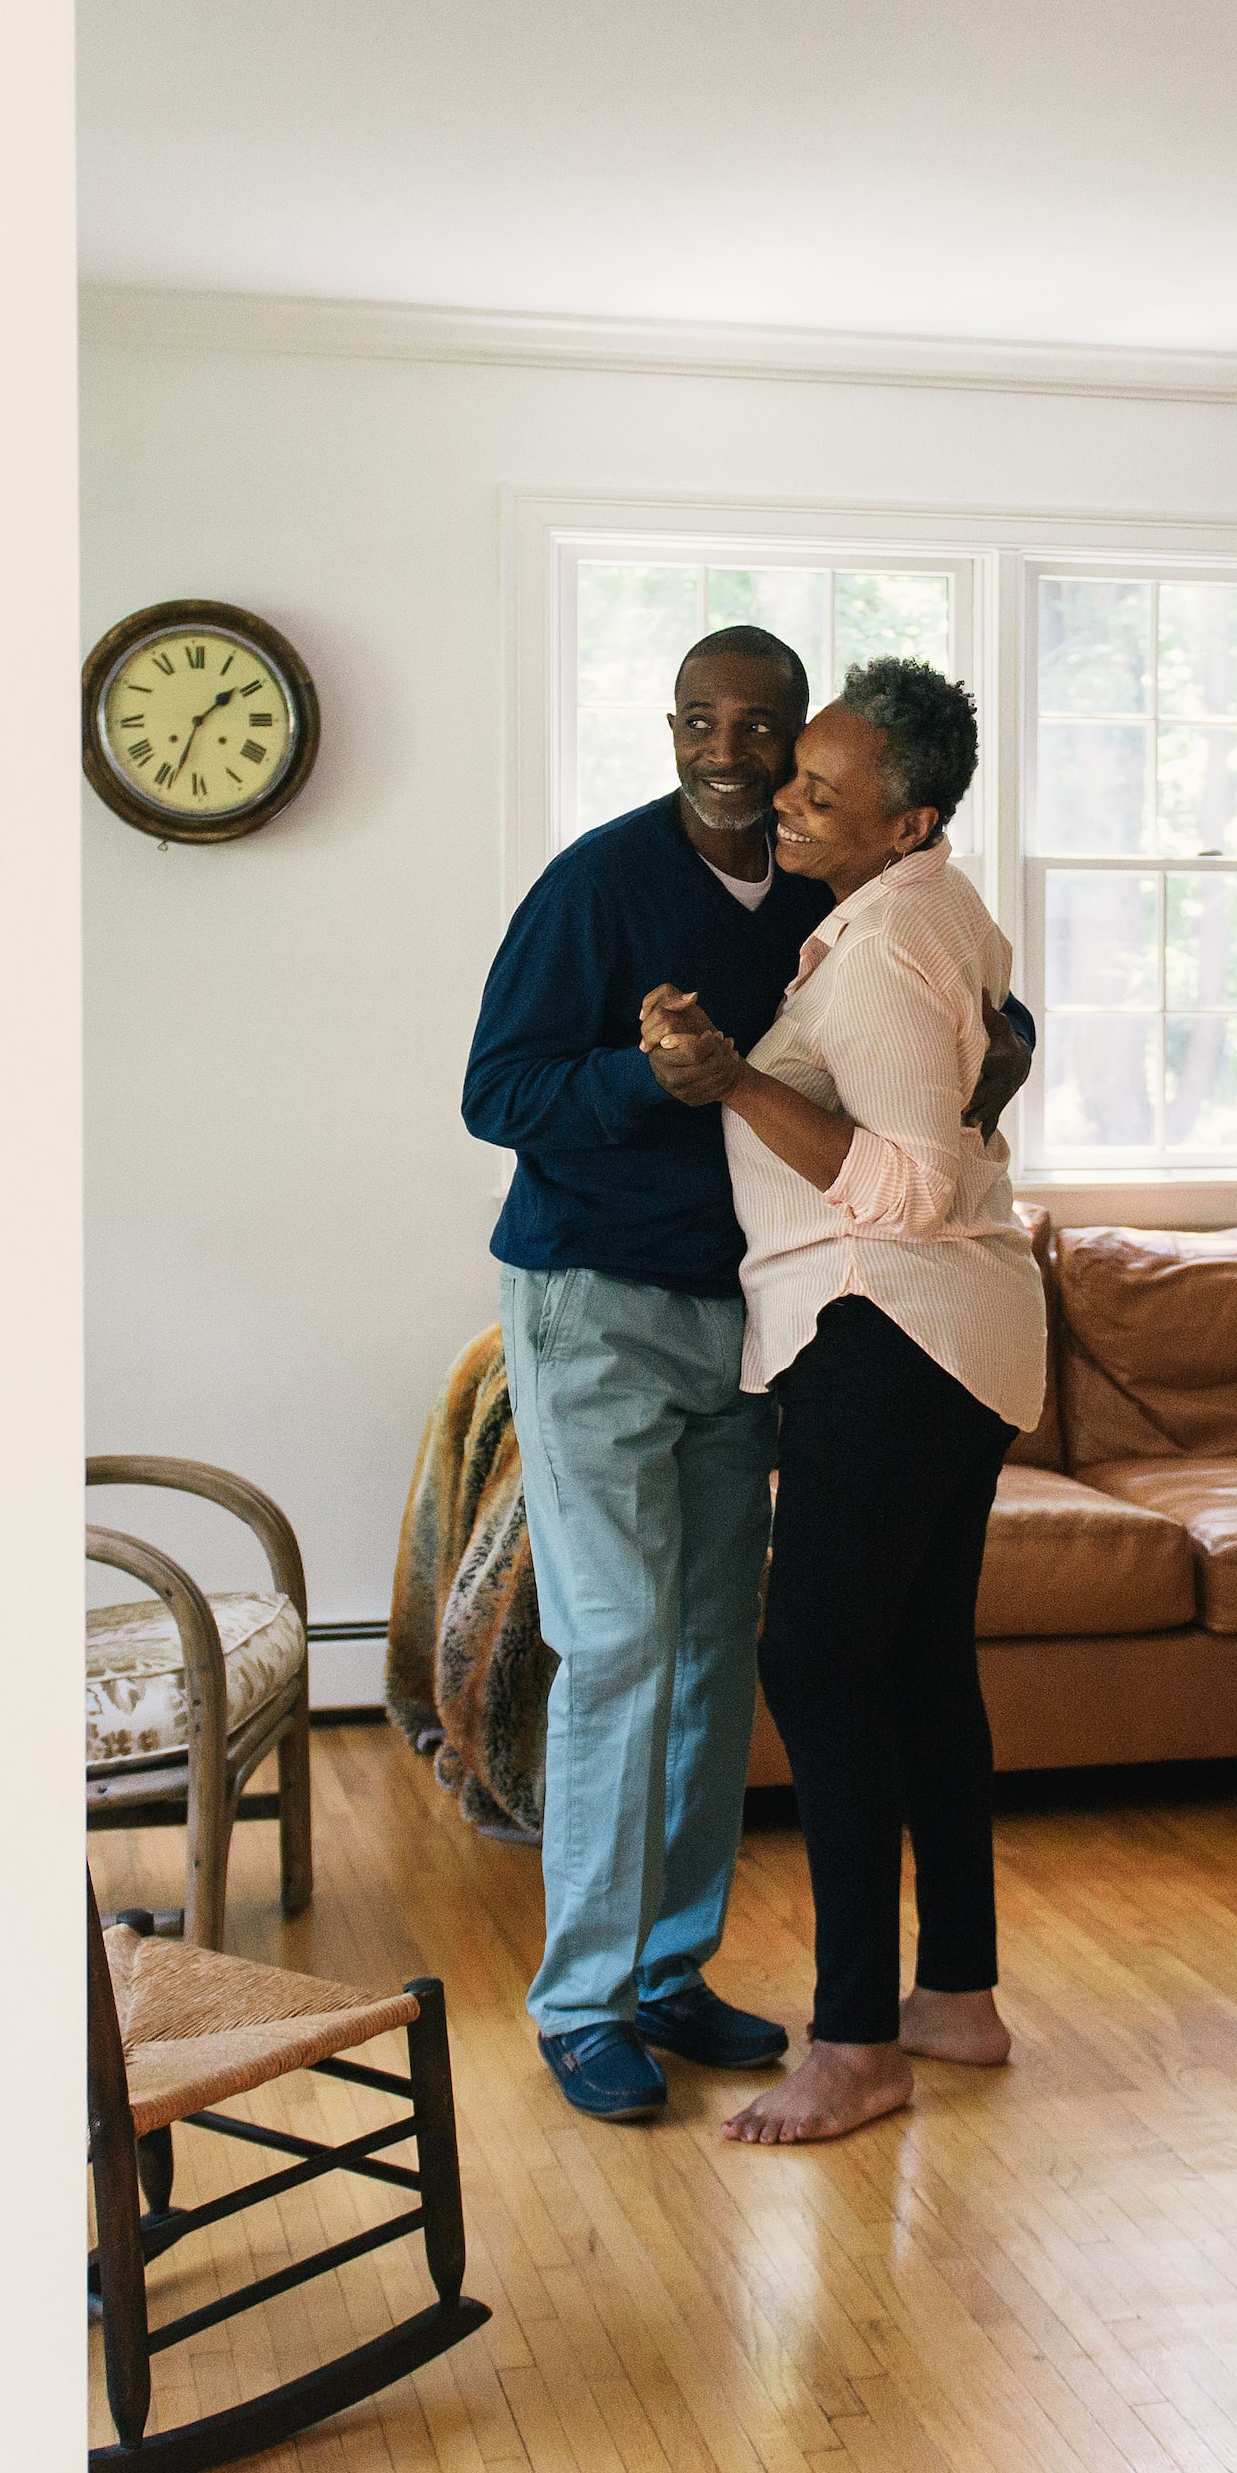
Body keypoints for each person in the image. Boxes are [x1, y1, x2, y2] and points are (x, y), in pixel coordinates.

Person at [457, 627, 1026, 2123]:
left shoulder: (832, 893)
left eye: (764, 730)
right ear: (669, 730)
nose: (731, 754)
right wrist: (641, 1076)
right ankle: (582, 1999)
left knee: (716, 1644)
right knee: (626, 1642)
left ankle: (666, 1970)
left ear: (803, 760)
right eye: (700, 720)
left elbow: (931, 1003)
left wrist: (1007, 1033)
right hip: (598, 1302)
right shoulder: (600, 881)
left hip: (758, 1321)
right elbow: (495, 1092)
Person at [635, 658, 1045, 2149]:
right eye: (794, 776)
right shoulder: (935, 902)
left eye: (820, 790)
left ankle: (860, 2039)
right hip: (966, 1337)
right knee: (921, 1659)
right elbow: (993, 1053)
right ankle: (957, 1995)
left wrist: (736, 1081)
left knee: (814, 1660)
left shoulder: (873, 948)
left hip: (891, 1322)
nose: (785, 801)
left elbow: (915, 1184)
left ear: (906, 815)